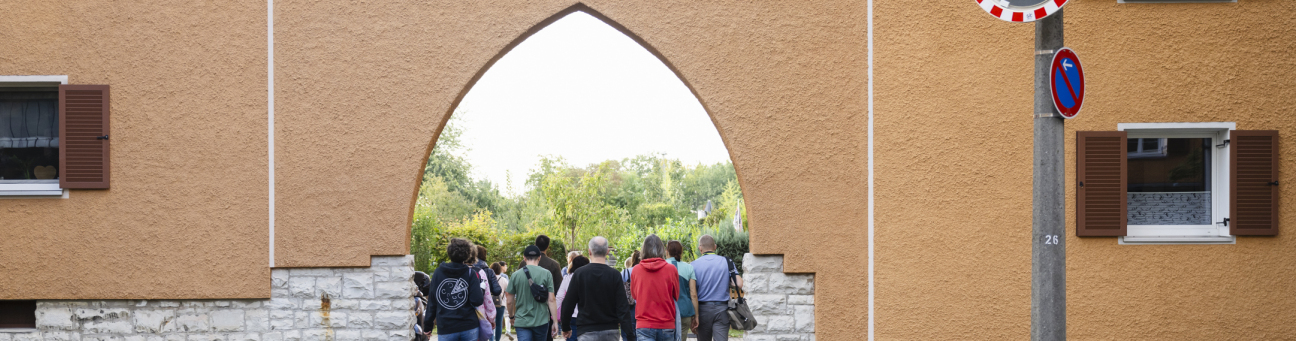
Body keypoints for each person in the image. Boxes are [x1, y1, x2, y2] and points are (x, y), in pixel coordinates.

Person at [559, 237, 635, 341]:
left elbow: (568, 303)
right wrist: (630, 335)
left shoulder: (580, 274)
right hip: (610, 331)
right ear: (607, 252)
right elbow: (623, 308)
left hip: (586, 331)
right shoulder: (615, 275)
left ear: (589, 252)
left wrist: (565, 327)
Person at [425, 238, 486, 341]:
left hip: (446, 327)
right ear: (468, 254)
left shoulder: (438, 273)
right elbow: (477, 300)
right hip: (468, 326)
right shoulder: (470, 273)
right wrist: (481, 289)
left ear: (449, 253)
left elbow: (432, 302)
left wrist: (427, 326)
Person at [691, 235, 742, 341]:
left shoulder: (693, 265)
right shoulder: (727, 262)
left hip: (702, 310)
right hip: (722, 309)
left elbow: (692, 291)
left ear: (700, 248)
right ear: (715, 247)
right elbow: (739, 284)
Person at [505, 245, 560, 341]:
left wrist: (511, 316)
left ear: (524, 258)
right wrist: (555, 322)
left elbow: (509, 301)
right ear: (539, 257)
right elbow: (551, 300)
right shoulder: (546, 274)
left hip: (522, 321)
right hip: (541, 320)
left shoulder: (515, 275)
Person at [630, 235, 679, 341]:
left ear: (643, 250)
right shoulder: (671, 269)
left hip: (644, 324)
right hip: (666, 324)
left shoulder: (636, 270)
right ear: (662, 249)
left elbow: (634, 295)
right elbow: (676, 295)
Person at [665, 241, 698, 341]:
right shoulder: (689, 268)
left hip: (666, 312)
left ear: (667, 252)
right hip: (684, 311)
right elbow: (693, 294)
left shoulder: (661, 266)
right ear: (681, 252)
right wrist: (696, 316)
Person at [466, 244, 498, 341]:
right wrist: (491, 317)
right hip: (478, 315)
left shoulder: (454, 272)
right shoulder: (483, 272)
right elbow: (488, 297)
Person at [555, 256, 590, 341]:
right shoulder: (590, 278)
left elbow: (559, 297)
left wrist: (554, 314)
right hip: (587, 316)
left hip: (571, 316)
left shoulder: (567, 278)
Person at [619, 250, 641, 341]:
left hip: (628, 305)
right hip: (642, 306)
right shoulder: (644, 271)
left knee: (628, 333)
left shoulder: (625, 272)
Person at [490, 262, 509, 341]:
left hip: (490, 304)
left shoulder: (489, 279)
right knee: (499, 323)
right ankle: (497, 339)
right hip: (501, 304)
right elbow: (507, 293)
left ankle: (491, 339)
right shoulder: (504, 280)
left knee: (490, 322)